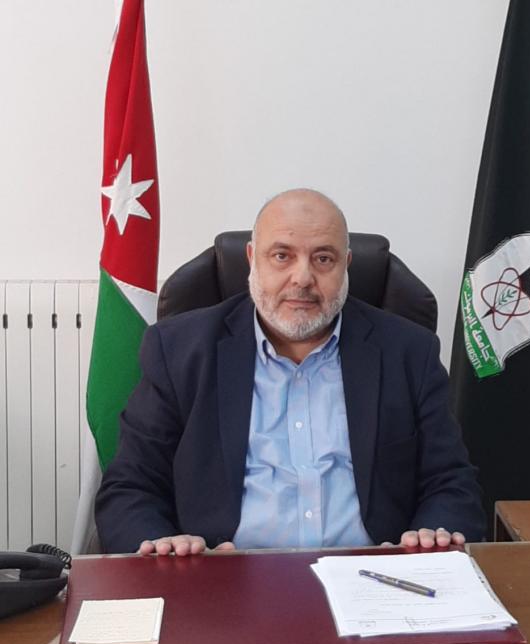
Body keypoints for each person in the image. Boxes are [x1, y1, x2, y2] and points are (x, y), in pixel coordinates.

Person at [95, 189, 486, 554]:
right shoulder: (180, 350)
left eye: (323, 259)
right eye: (282, 256)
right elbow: (131, 487)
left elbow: (451, 483)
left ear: (346, 266)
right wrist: (165, 549)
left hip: (372, 580)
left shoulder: (408, 351)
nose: (302, 278)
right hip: (225, 576)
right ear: (252, 259)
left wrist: (429, 540)